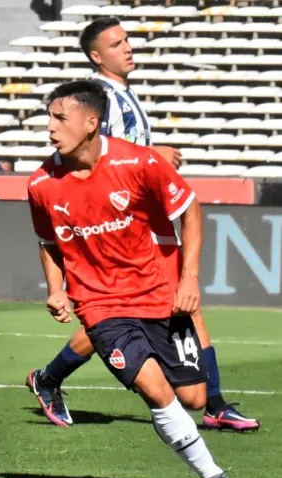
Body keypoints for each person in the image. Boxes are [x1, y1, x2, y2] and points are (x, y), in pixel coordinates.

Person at [25, 16, 260, 433]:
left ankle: (209, 400)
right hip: (129, 229)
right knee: (124, 314)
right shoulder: (102, 100)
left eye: (127, 40)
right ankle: (213, 403)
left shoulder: (124, 93)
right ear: (97, 57)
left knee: (164, 308)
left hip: (150, 222)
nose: (127, 48)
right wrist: (153, 152)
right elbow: (102, 156)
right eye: (116, 44)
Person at [27, 80, 232, 478]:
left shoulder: (140, 162)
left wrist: (189, 278)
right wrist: (56, 289)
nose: (50, 127)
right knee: (156, 392)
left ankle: (47, 378)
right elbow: (48, 242)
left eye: (60, 118)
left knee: (194, 398)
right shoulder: (41, 184)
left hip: (159, 293)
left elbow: (190, 209)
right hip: (101, 305)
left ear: (91, 122)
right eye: (49, 117)